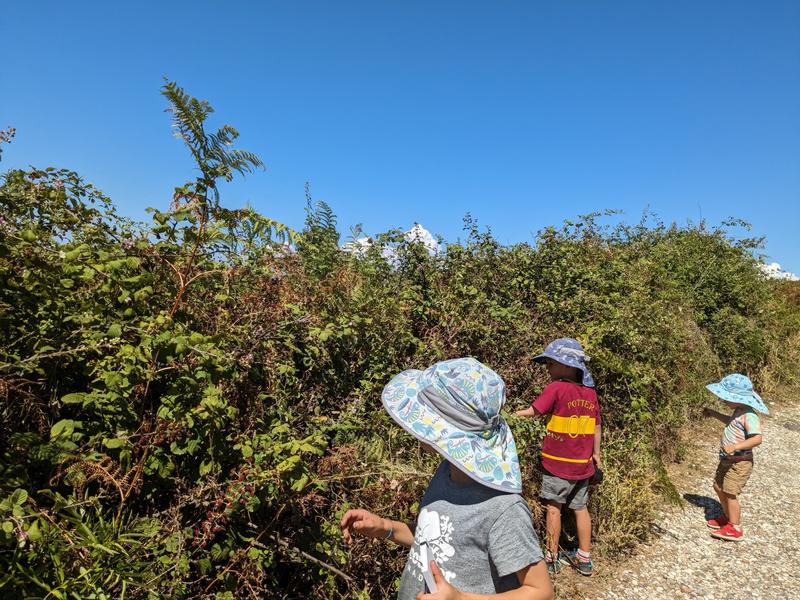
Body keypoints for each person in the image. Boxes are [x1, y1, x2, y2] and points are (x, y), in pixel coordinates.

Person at [340, 357, 553, 600]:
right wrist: (385, 528)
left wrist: (460, 598)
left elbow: (541, 591)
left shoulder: (503, 510)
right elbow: (432, 540)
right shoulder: (446, 471)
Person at [515, 338, 600, 576]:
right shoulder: (590, 393)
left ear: (566, 365)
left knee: (554, 508)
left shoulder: (556, 388)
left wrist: (509, 416)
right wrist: (597, 454)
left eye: (550, 363)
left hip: (556, 464)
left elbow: (535, 411)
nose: (548, 368)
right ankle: (584, 558)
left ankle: (551, 558)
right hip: (583, 466)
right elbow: (596, 426)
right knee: (580, 509)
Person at [702, 373, 767, 542]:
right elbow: (730, 422)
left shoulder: (749, 415)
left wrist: (735, 446)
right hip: (727, 459)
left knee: (730, 492)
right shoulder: (738, 411)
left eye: (726, 398)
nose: (723, 401)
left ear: (739, 398)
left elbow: (757, 438)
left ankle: (735, 527)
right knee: (718, 486)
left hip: (740, 462)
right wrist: (714, 414)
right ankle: (728, 516)